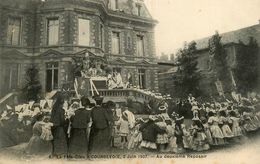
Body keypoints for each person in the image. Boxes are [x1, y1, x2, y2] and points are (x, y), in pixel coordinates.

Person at [50, 94, 68, 158]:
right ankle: (60, 153)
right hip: (59, 127)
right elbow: (62, 120)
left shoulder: (53, 109)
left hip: (53, 126)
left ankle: (54, 152)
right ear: (61, 103)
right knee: (61, 140)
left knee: (55, 139)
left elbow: (51, 118)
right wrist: (67, 120)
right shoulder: (61, 110)